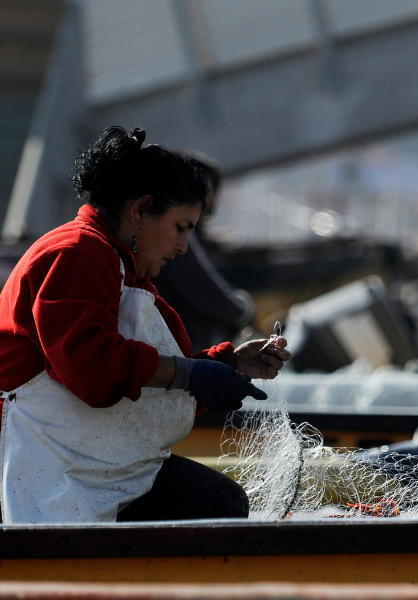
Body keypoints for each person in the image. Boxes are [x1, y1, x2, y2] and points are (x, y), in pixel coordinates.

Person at [0, 126, 291, 524]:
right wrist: (191, 372)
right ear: (139, 211)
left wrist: (227, 365)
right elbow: (93, 370)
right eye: (180, 227)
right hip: (49, 467)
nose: (183, 247)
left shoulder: (118, 265)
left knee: (218, 502)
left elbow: (141, 374)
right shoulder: (75, 254)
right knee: (215, 505)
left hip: (93, 462)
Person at [152, 151, 255, 353]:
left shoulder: (182, 230)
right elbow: (210, 296)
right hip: (178, 359)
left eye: (207, 189)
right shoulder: (177, 230)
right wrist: (244, 307)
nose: (206, 197)